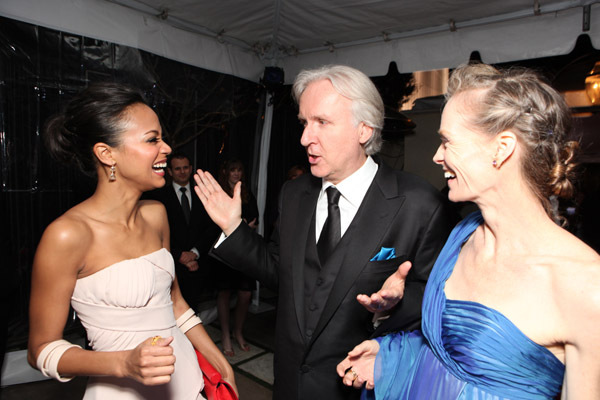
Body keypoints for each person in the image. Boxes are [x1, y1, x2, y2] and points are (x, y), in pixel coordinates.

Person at [336, 63, 600, 399]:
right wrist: (390, 353)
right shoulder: (463, 235)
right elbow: (451, 354)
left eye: (447, 142)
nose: (436, 156)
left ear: (501, 149)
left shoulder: (586, 286)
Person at [194, 65, 454, 400]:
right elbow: (280, 271)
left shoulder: (418, 203)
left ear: (364, 129)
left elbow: (439, 299)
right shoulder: (294, 194)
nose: (305, 138)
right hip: (289, 385)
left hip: (357, 389)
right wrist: (233, 228)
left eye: (322, 122)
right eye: (304, 123)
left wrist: (393, 307)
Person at [27, 82, 237, 399]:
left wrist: (221, 363)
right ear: (106, 154)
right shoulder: (68, 235)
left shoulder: (156, 214)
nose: (166, 148)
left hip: (188, 383)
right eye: (152, 139)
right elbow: (40, 350)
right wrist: (124, 363)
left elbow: (176, 305)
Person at [146, 153, 213, 310]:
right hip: (170, 266)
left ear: (190, 169)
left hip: (198, 265)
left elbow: (211, 227)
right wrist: (179, 255)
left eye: (185, 168)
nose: (182, 172)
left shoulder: (203, 194)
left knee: (193, 311)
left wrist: (195, 252)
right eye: (177, 169)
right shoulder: (159, 197)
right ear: (170, 171)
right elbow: (154, 232)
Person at [211, 159, 258, 356]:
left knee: (245, 293)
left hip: (245, 251)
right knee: (224, 293)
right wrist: (237, 227)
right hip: (225, 251)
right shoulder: (219, 194)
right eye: (233, 170)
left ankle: (238, 332)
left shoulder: (247, 192)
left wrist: (244, 228)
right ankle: (225, 335)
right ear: (225, 172)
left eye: (239, 170)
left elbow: (255, 218)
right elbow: (214, 222)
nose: (236, 174)